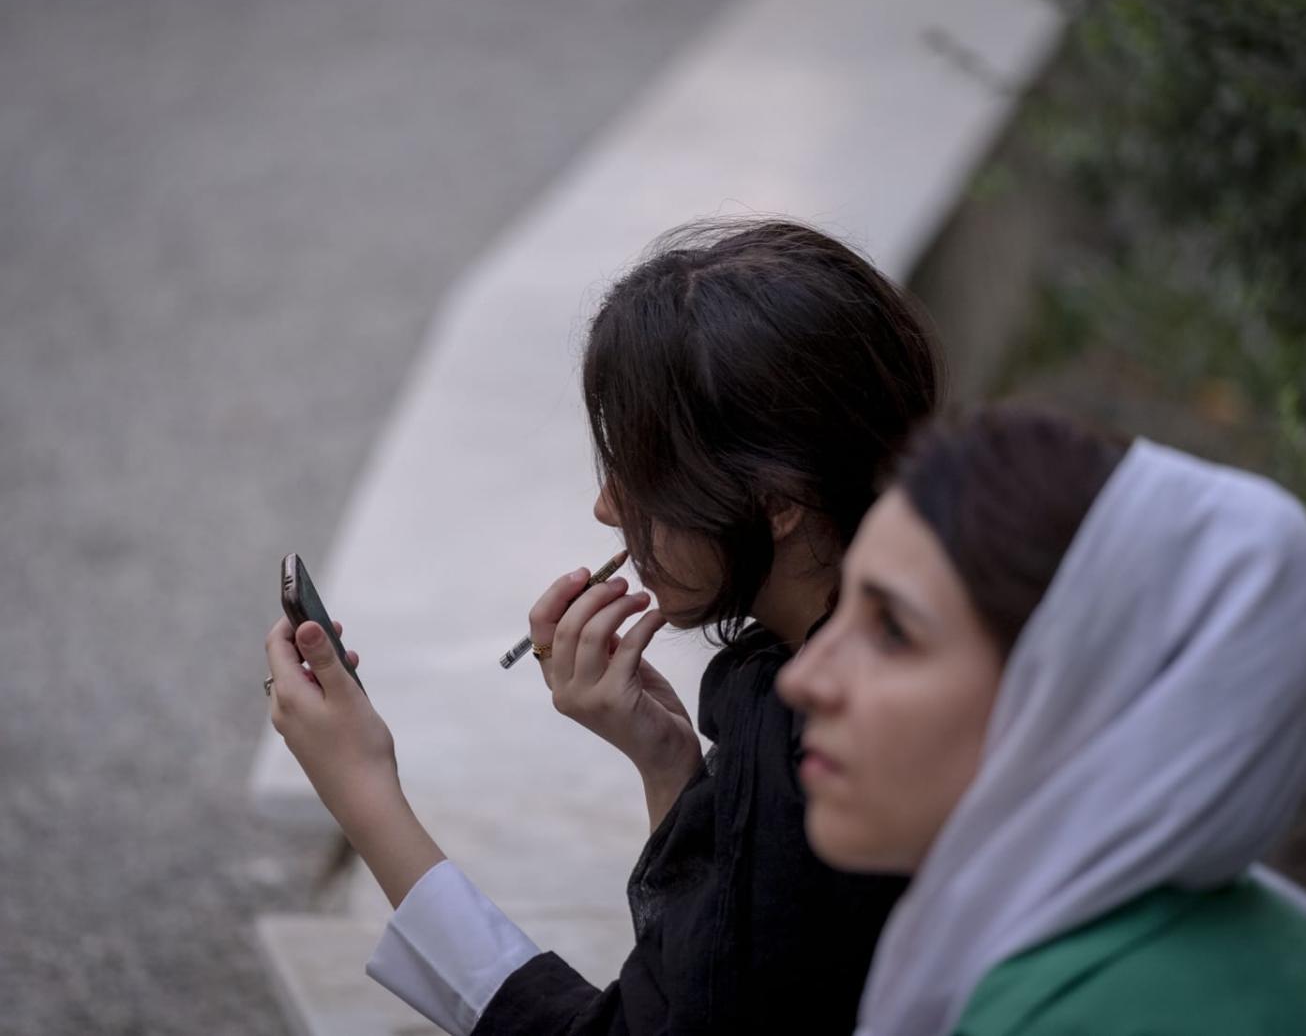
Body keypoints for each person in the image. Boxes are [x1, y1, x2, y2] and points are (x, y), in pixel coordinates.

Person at [264, 220, 940, 1035]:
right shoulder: (903, 632)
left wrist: (365, 794)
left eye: (643, 469)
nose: (607, 506)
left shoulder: (821, 762)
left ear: (777, 502)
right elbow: (707, 978)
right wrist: (671, 769)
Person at [777, 403, 1306, 1036]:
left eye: (892, 630)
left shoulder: (1083, 1012)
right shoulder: (1200, 934)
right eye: (839, 615)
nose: (801, 678)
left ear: (1075, 692)